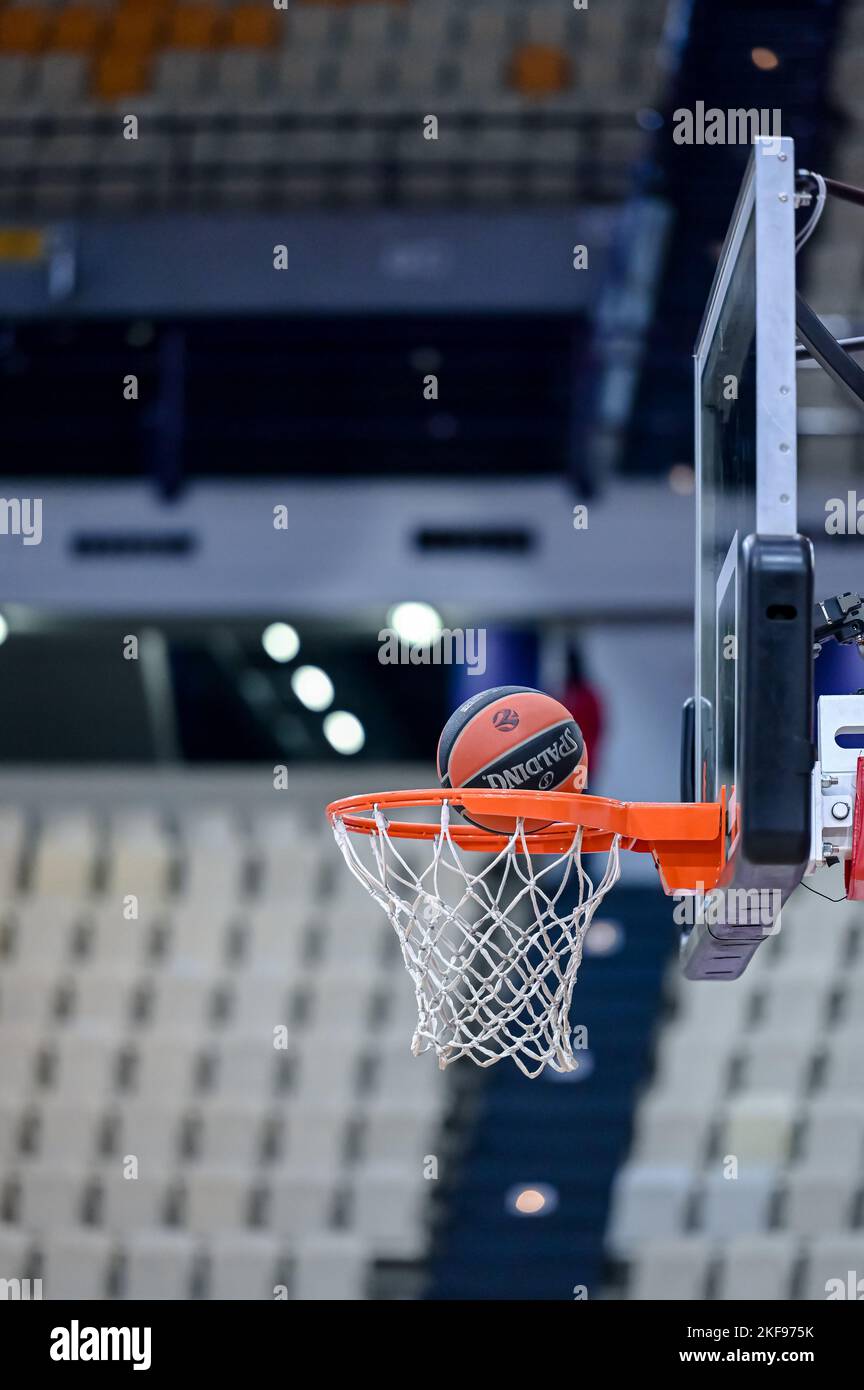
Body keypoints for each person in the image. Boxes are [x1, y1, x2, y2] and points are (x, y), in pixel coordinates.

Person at [560, 645, 605, 778]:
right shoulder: (564, 694)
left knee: (582, 793)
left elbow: (597, 727)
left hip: (584, 761)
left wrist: (589, 752)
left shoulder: (588, 696)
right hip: (565, 761)